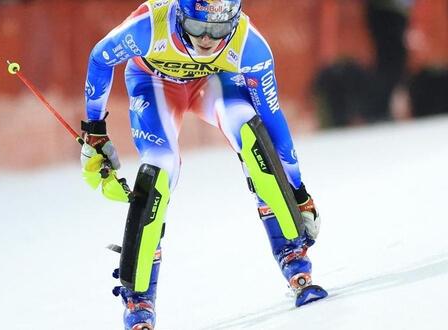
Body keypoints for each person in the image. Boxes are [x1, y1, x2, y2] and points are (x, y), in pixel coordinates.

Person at [80, 1, 326, 329]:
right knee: (160, 168)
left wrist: (298, 191)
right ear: (180, 16)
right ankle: (138, 298)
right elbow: (100, 57)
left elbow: (273, 119)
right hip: (153, 83)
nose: (208, 40)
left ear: (234, 20)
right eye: (198, 28)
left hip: (212, 81)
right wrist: (94, 131)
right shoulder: (150, 26)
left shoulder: (247, 43)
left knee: (249, 129)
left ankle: (293, 252)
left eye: (218, 30)